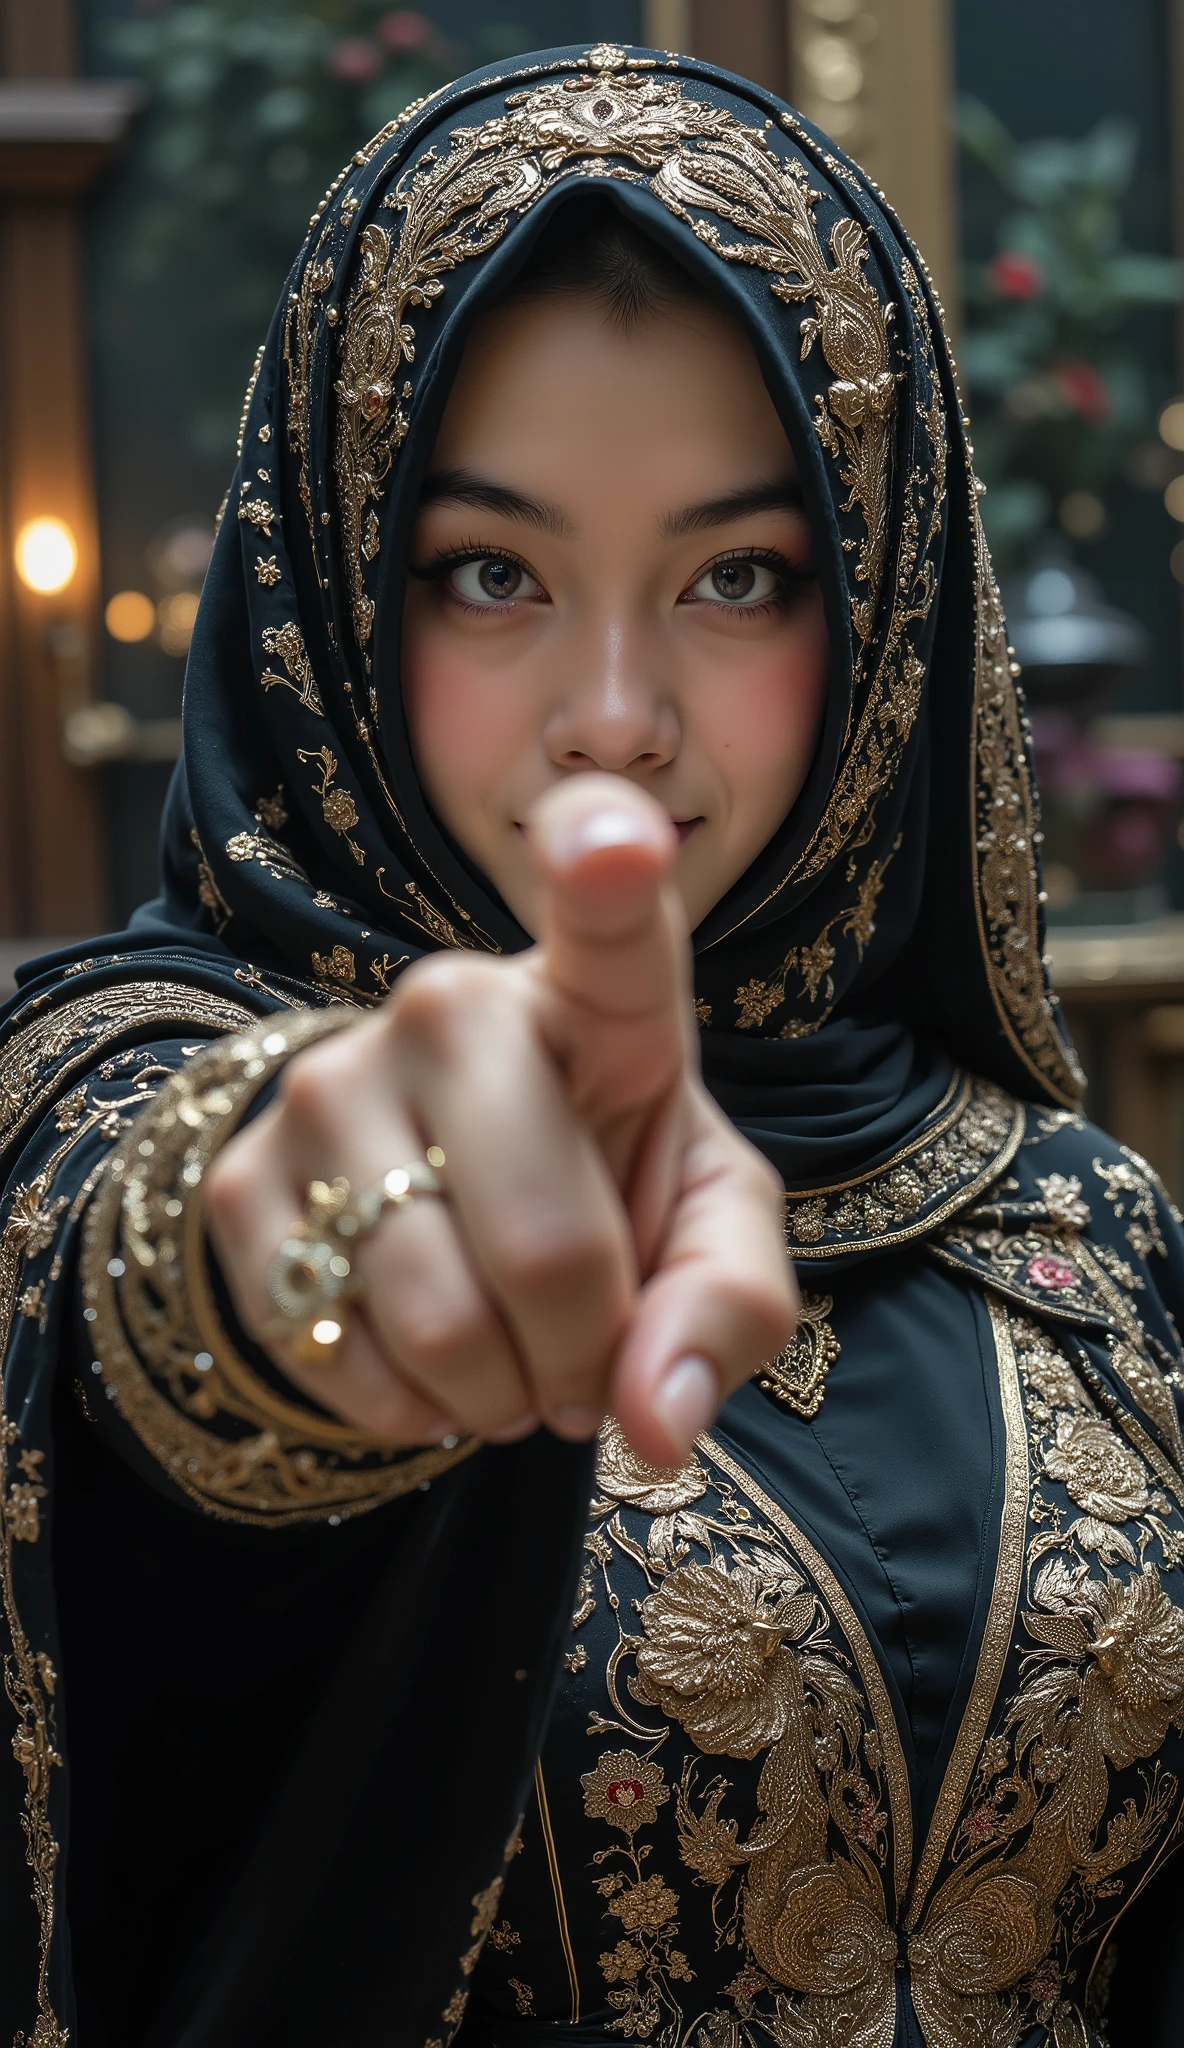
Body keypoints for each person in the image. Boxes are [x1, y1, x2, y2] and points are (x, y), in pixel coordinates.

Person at [1, 37, 1182, 2048]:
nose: (616, 715)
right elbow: (151, 1228)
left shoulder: (1090, 1234)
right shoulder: (100, 1089)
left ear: (882, 607)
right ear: (337, 605)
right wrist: (312, 1262)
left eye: (737, 578)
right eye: (492, 577)